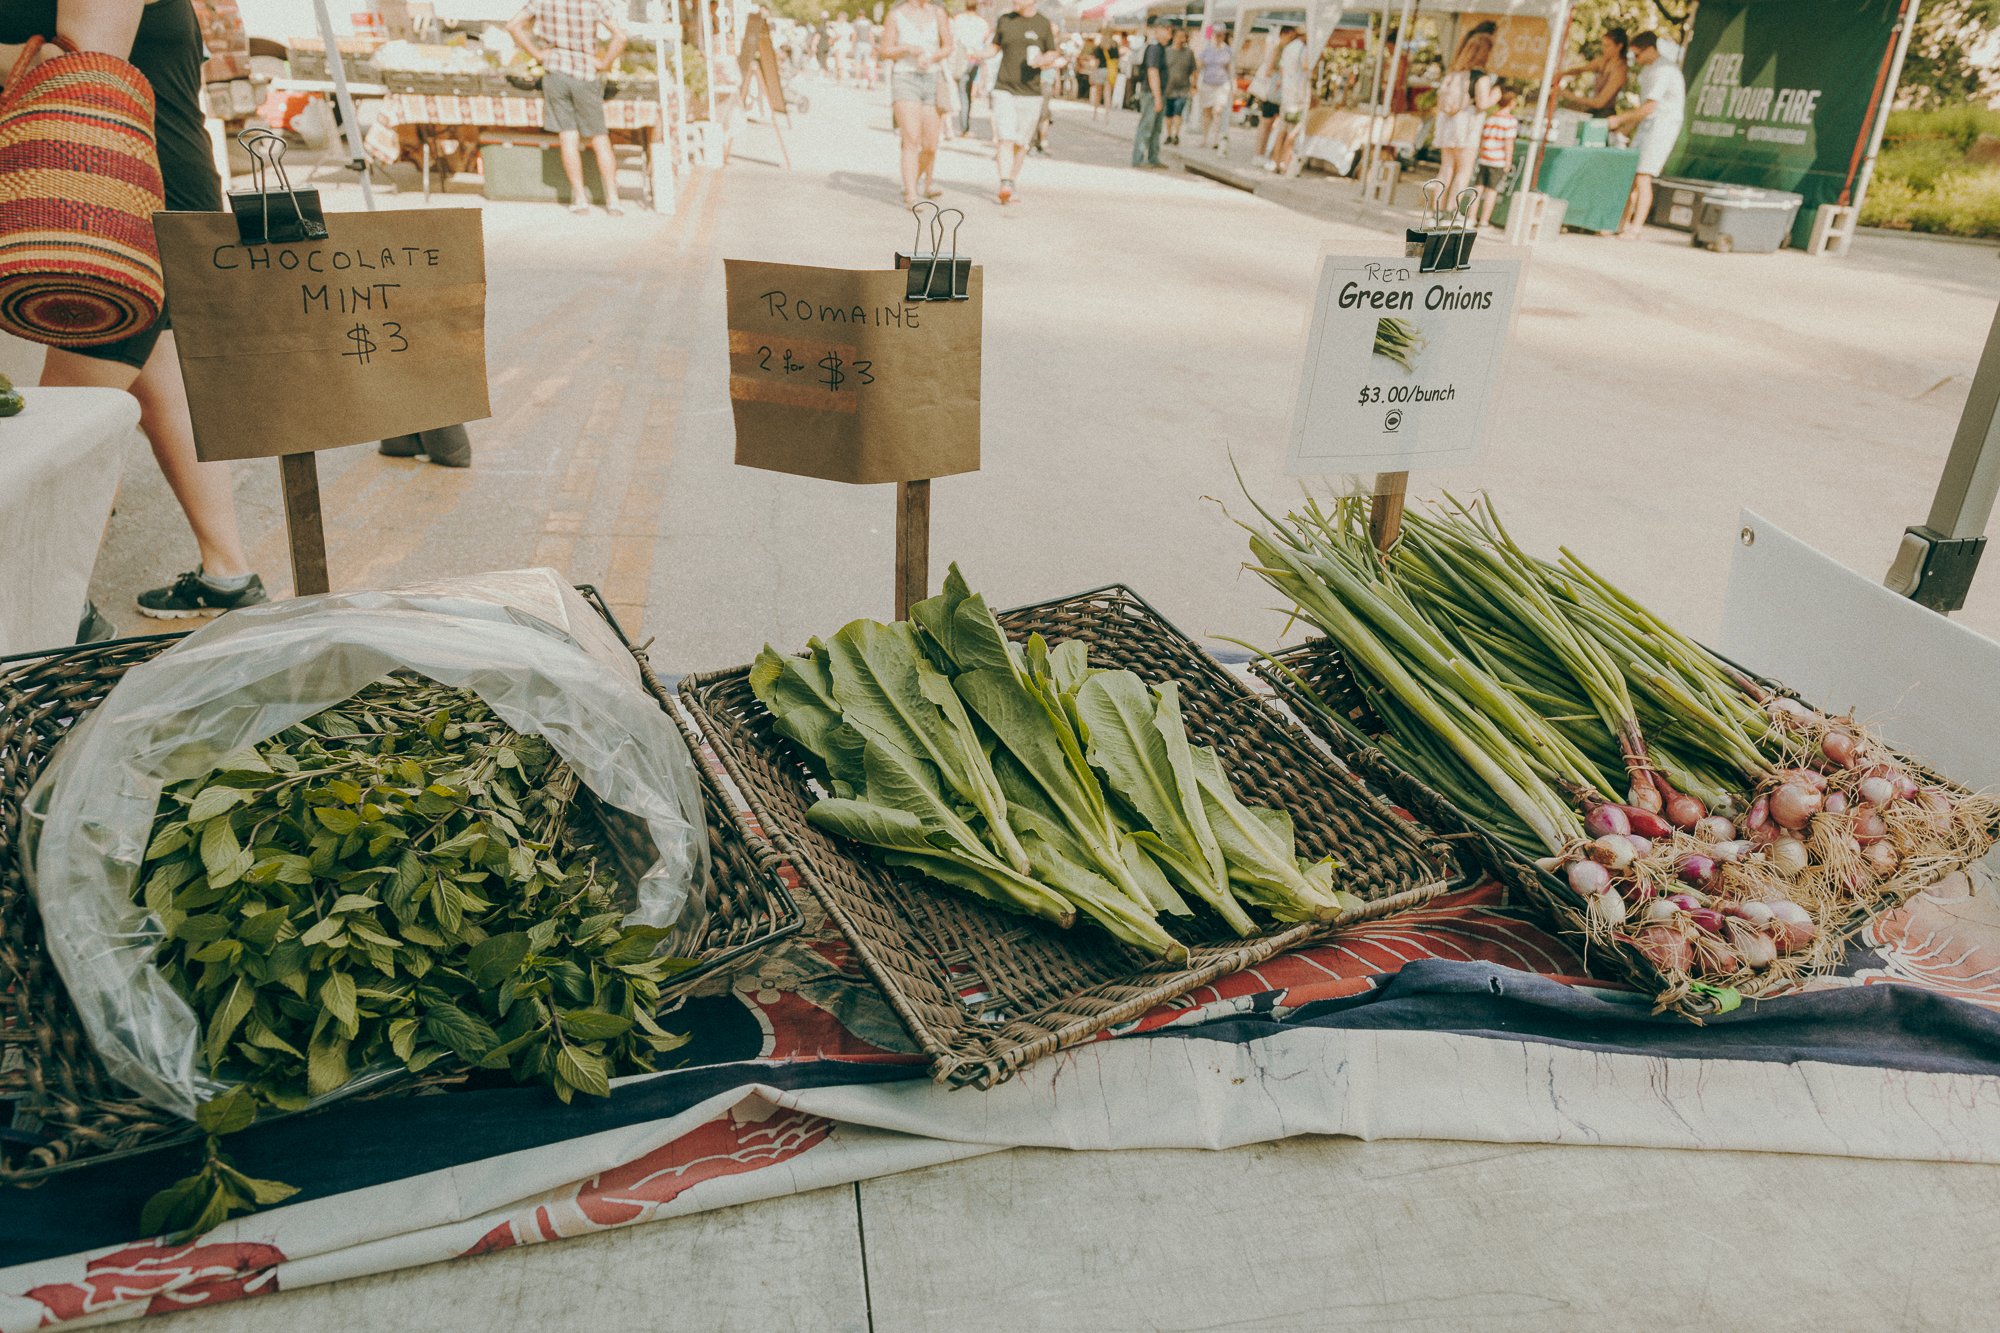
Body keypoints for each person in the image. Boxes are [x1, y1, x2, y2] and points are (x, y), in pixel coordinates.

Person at [2, 0, 269, 622]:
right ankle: (228, 574)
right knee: (162, 393)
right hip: (135, 200)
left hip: (122, 214)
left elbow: (84, 63)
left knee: (65, 428)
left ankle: (55, 616)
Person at [508, 0, 626, 217]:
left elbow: (513, 25)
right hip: (586, 74)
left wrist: (537, 53)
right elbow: (621, 37)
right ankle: (613, 200)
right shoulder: (594, 3)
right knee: (600, 137)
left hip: (556, 73)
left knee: (568, 136)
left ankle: (580, 199)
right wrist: (604, 63)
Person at [983, 0, 1059, 203]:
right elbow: (994, 47)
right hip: (1004, 87)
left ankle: (1012, 181)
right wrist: (980, 54)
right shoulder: (1005, 20)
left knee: (1021, 143)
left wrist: (1044, 60)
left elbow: (1052, 51)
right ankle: (1005, 182)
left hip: (1031, 91)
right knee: (1005, 138)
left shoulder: (1043, 23)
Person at [1611, 31, 1685, 237]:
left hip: (1661, 127)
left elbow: (1650, 107)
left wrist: (1620, 120)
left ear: (1650, 49)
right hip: (1648, 126)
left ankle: (1635, 228)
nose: (1636, 60)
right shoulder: (1649, 70)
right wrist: (1627, 126)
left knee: (1643, 176)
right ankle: (1621, 223)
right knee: (1632, 176)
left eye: (1637, 55)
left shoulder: (1664, 70)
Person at [879, 0, 953, 206]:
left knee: (930, 145)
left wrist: (933, 57)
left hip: (932, 78)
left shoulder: (938, 13)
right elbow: (885, 50)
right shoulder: (895, 14)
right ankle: (911, 194)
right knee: (911, 138)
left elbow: (948, 45)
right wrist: (907, 49)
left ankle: (913, 180)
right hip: (905, 78)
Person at [1432, 21, 1498, 205]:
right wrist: (1495, 95)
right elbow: (1482, 103)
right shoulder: (1480, 77)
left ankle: (1434, 211)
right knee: (1463, 171)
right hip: (1466, 127)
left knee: (1445, 169)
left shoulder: (1454, 74)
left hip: (1448, 124)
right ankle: (1450, 211)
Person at [1475, 86, 1519, 228]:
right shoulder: (1510, 121)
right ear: (1511, 102)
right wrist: (1508, 161)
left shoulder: (1490, 118)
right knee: (1491, 191)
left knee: (1478, 188)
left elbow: (1482, 139)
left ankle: (1470, 217)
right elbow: (1508, 144)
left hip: (1484, 157)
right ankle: (1483, 220)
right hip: (1497, 159)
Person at [1264, 27, 1306, 175]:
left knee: (1282, 129)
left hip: (1287, 95)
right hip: (1298, 97)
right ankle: (1285, 162)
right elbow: (1307, 67)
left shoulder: (1287, 48)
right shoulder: (1302, 49)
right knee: (1293, 131)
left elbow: (1281, 71)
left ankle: (1276, 161)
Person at [1559, 27, 1628, 117]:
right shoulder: (1603, 61)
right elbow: (1580, 69)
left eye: (1608, 46)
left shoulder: (1620, 70)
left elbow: (1599, 103)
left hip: (1605, 115)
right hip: (1594, 111)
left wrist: (1569, 95)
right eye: (1603, 45)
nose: (1604, 49)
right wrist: (1562, 74)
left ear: (1619, 46)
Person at [1130, 21, 1169, 168]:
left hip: (1158, 93)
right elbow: (1152, 72)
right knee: (1147, 126)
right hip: (1152, 93)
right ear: (1158, 30)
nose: (1169, 33)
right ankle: (1138, 158)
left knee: (1156, 128)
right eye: (1166, 29)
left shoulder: (1161, 48)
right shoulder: (1154, 48)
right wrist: (1157, 96)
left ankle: (1153, 157)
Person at [949, 0, 989, 137]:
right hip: (974, 60)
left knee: (963, 94)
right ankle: (965, 124)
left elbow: (953, 39)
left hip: (962, 59)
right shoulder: (982, 23)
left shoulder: (958, 20)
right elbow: (984, 40)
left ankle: (964, 126)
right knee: (968, 93)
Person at [1196, 27, 1232, 148]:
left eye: (1220, 35)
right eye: (1216, 34)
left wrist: (1233, 85)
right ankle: (1204, 138)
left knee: (1217, 112)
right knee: (1206, 112)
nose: (1218, 37)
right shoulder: (1207, 49)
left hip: (1221, 85)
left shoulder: (1228, 50)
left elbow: (1231, 69)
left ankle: (1215, 139)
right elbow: (1199, 65)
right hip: (1208, 83)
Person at [1162, 27, 1195, 147]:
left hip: (1183, 88)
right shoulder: (1167, 52)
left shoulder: (1189, 53)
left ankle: (1177, 135)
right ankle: (1169, 134)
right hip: (1168, 88)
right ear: (1174, 37)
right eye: (1179, 36)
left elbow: (1193, 70)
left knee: (1178, 111)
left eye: (1184, 37)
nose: (1182, 39)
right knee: (1169, 113)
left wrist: (1194, 85)